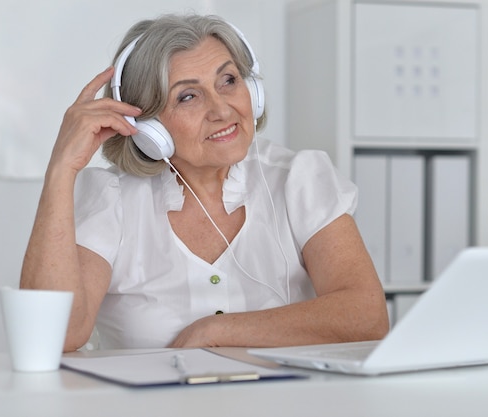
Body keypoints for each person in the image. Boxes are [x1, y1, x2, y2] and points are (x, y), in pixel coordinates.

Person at [20, 13, 389, 351]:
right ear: (147, 127)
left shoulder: (297, 180)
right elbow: (56, 336)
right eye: (188, 96)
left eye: (228, 80)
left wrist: (216, 331)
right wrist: (61, 170)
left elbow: (367, 315)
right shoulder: (111, 200)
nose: (222, 110)